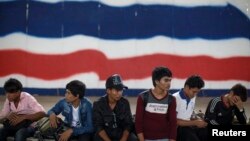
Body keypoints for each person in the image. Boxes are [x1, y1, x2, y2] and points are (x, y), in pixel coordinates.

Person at [135, 66, 177, 141]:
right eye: (166, 80)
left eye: (170, 80)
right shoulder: (143, 97)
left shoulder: (171, 99)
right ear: (157, 81)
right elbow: (138, 122)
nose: (169, 83)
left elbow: (173, 123)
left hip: (164, 138)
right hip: (146, 138)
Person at [93, 74, 138, 141]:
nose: (119, 93)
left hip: (121, 134)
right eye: (116, 90)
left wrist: (124, 138)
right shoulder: (98, 104)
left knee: (133, 139)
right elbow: (99, 127)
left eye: (121, 90)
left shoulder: (125, 103)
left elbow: (128, 124)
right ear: (108, 91)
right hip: (106, 135)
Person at [173, 75, 207, 141]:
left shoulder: (192, 97)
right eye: (194, 92)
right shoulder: (175, 98)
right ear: (186, 87)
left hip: (188, 125)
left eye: (197, 92)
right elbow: (175, 121)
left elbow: (188, 113)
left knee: (207, 131)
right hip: (178, 129)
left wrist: (197, 117)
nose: (195, 94)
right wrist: (195, 122)